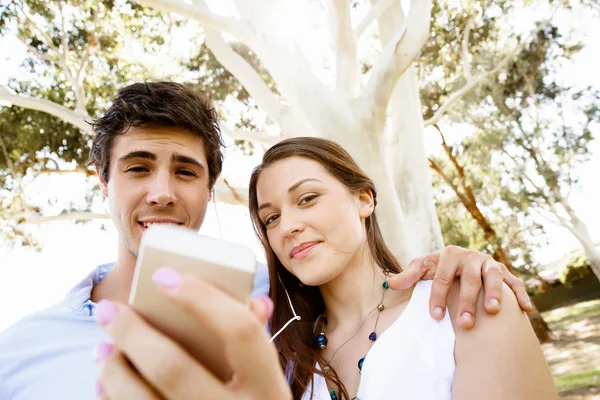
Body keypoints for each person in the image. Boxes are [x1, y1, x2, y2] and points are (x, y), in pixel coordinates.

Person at [0, 82, 530, 400]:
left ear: (209, 189)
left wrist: (465, 265)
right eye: (138, 168)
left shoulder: (273, 306)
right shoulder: (20, 350)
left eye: (185, 172)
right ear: (103, 180)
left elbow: (369, 290)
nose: (161, 192)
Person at [93, 138, 555, 400]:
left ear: (363, 199)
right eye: (270, 218)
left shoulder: (465, 303)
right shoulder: (280, 359)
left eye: (307, 198)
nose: (288, 226)